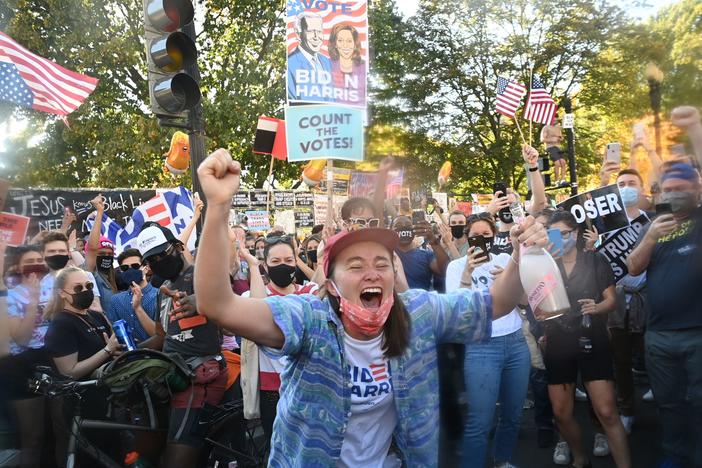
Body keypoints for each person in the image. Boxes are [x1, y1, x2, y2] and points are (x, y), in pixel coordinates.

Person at [192, 148, 548, 466]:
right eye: (356, 266)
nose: (372, 273)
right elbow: (217, 304)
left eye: (381, 263)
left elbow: (498, 302)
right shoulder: (308, 319)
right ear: (330, 283)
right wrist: (219, 206)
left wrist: (520, 255)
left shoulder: (418, 314)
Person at [627, 162, 702, 467]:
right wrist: (650, 238)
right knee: (668, 402)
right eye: (667, 189)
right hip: (658, 336)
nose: (672, 194)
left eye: (679, 188)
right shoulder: (652, 225)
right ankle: (674, 454)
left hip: (697, 333)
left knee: (699, 403)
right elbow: (632, 268)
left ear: (696, 190)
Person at [137, 221, 227, 468]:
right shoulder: (162, 289)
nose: (155, 264)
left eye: (160, 256)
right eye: (150, 261)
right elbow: (161, 336)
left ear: (178, 246)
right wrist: (130, 352)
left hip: (200, 376)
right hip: (171, 376)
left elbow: (230, 311)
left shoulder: (203, 276)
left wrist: (203, 302)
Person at [544, 211, 631, 468]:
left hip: (592, 337)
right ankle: (580, 458)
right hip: (558, 341)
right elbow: (533, 303)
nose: (560, 239)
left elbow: (611, 300)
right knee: (561, 413)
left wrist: (597, 307)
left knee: (606, 411)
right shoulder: (545, 263)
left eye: (565, 234)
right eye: (554, 235)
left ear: (576, 232)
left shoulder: (594, 260)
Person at [445, 214, 530, 468]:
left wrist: (509, 280)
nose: (481, 240)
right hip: (481, 347)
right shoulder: (456, 266)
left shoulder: (507, 260)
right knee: (479, 421)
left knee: (513, 414)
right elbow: (456, 311)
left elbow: (526, 302)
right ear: (467, 238)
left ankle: (502, 460)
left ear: (495, 237)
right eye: (475, 236)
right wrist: (468, 272)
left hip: (515, 344)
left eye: (487, 235)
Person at [242, 235, 319, 447]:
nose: (282, 266)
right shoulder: (257, 293)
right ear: (265, 265)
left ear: (297, 261)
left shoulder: (308, 292)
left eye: (288, 260)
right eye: (275, 262)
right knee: (277, 448)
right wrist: (252, 264)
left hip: (307, 385)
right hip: (271, 390)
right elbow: (256, 313)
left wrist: (322, 258)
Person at [604, 169, 650, 435]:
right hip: (617, 302)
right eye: (621, 184)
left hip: (647, 300)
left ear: (642, 188)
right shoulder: (606, 224)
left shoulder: (651, 223)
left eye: (632, 183)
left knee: (652, 356)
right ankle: (627, 410)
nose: (626, 188)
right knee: (620, 362)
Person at [2, 245, 52, 468]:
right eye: (29, 261)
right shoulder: (10, 296)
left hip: (53, 361)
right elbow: (21, 338)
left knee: (56, 431)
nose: (35, 266)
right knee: (33, 437)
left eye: (39, 260)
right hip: (23, 367)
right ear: (18, 268)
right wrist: (32, 301)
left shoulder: (54, 286)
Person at [39, 231, 102, 312]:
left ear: (68, 253)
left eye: (61, 251)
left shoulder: (86, 276)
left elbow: (96, 309)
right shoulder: (42, 284)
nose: (57, 254)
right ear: (43, 254)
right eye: (52, 251)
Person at [106, 248, 158, 343]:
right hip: (128, 356)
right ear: (121, 271)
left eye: (135, 266)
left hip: (157, 355)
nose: (130, 271)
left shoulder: (159, 295)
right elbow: (114, 335)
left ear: (146, 268)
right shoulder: (115, 301)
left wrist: (138, 308)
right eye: (125, 268)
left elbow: (160, 336)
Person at [392, 215, 450, 290]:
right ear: (390, 230)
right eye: (398, 225)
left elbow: (445, 270)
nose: (403, 227)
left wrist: (432, 239)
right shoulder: (387, 255)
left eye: (408, 225)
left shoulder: (426, 255)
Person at [287, 11, 333, 102]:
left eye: (319, 31)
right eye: (311, 31)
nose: (316, 37)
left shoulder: (327, 62)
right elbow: (293, 103)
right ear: (298, 34)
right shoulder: (290, 63)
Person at [84, 195, 119, 310]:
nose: (106, 257)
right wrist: (100, 212)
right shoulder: (91, 275)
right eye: (102, 253)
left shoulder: (114, 279)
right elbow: (93, 247)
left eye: (110, 255)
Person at [328, 23, 366, 106]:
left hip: (357, 115)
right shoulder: (325, 65)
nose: (345, 45)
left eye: (349, 41)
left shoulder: (364, 67)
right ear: (335, 44)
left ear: (355, 43)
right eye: (340, 40)